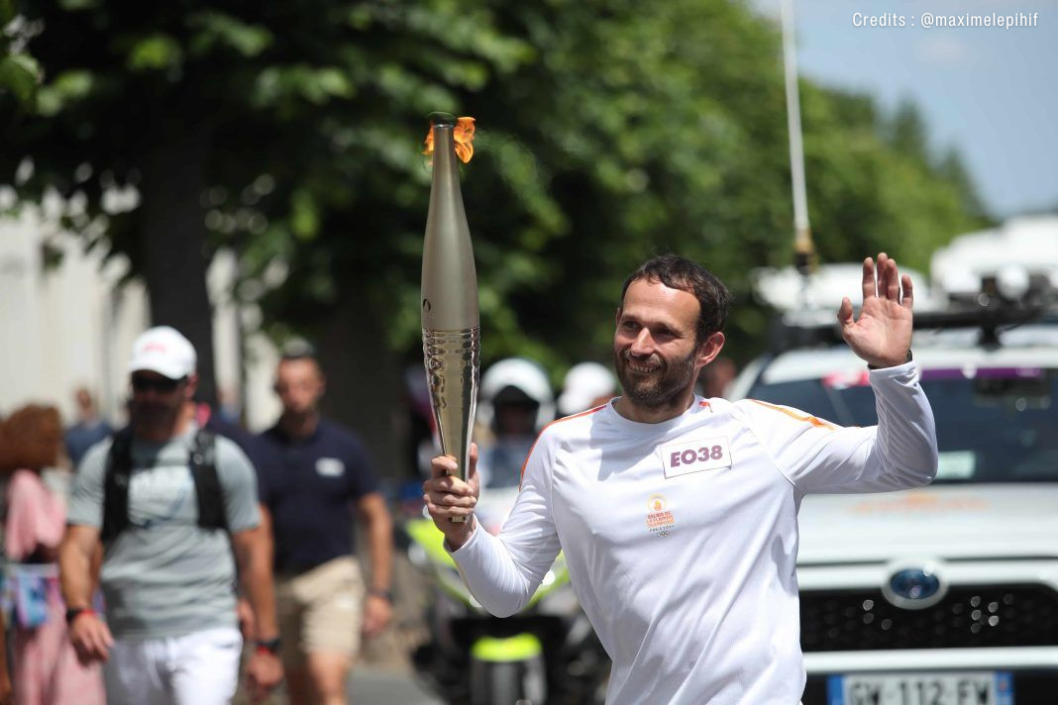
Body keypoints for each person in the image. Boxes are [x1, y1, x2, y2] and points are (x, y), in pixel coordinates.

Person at [424, 253, 938, 704]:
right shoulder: (564, 449)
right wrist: (463, 533)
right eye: (630, 325)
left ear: (708, 348)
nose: (640, 345)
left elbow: (907, 464)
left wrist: (892, 370)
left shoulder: (760, 434)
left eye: (665, 332)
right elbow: (506, 593)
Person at [58, 326, 283, 704]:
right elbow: (76, 547)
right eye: (141, 383)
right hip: (127, 635)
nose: (150, 395)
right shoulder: (104, 460)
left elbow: (253, 554)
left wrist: (267, 645)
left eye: (163, 384)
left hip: (205, 632)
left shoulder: (223, 458)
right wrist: (78, 612)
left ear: (189, 384)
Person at [255, 348, 394, 705]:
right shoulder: (259, 450)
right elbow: (250, 532)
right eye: (285, 387)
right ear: (276, 391)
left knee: (326, 678)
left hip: (333, 576)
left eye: (302, 385)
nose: (294, 395)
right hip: (279, 583)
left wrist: (380, 591)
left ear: (319, 386)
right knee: (297, 690)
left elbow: (376, 516)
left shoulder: (345, 447)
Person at [1, 404, 105, 705]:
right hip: (46, 607)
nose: (58, 444)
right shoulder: (25, 484)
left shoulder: (34, 480)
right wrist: (84, 542)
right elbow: (48, 542)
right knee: (62, 685)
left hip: (53, 604)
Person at [64, 388, 112, 467]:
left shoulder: (104, 428)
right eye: (80, 403)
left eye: (86, 404)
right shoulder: (71, 432)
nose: (84, 408)